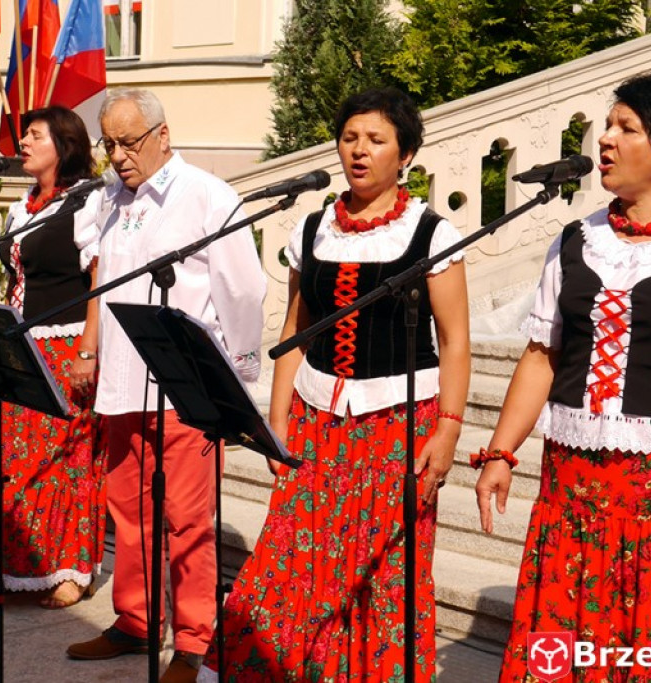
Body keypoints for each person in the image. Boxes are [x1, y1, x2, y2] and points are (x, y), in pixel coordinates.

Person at [474, 71, 651, 682]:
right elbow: (542, 356)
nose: (605, 139)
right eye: (609, 125)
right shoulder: (575, 242)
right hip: (571, 483)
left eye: (626, 128)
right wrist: (501, 451)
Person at [199, 87, 471, 681]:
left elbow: (454, 341)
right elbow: (295, 331)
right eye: (350, 138)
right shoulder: (312, 228)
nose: (359, 151)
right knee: (290, 557)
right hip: (316, 418)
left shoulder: (433, 235)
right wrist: (276, 422)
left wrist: (449, 431)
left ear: (406, 155)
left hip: (399, 424)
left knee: (385, 570)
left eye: (376, 140)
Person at [65, 88, 266, 683]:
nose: (118, 156)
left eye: (129, 142)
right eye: (109, 144)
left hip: (185, 388)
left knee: (187, 518)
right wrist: (92, 349)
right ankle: (136, 620)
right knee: (128, 512)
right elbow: (103, 282)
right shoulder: (107, 199)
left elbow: (242, 290)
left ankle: (196, 640)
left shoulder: (206, 195)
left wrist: (233, 382)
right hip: (122, 382)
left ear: (162, 135)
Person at [0, 105, 107, 608]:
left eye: (35, 135)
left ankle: (72, 569)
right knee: (18, 458)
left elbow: (98, 283)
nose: (24, 143)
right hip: (24, 344)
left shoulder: (87, 203)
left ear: (64, 145)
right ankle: (24, 562)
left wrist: (87, 351)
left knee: (68, 460)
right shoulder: (22, 207)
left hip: (66, 344)